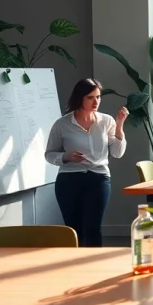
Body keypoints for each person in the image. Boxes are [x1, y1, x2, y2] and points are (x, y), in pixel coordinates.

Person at [44, 79, 128, 247]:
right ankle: (75, 262)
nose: (96, 101)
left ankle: (95, 262)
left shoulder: (106, 121)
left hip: (98, 178)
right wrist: (66, 156)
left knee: (93, 228)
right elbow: (49, 154)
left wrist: (119, 125)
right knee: (74, 229)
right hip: (69, 179)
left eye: (98, 97)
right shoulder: (62, 124)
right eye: (90, 97)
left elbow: (117, 153)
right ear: (79, 98)